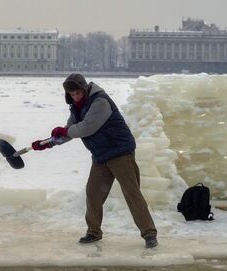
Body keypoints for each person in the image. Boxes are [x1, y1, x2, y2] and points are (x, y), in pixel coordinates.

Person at [31, 74, 158, 249]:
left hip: (120, 152)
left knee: (131, 193)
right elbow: (69, 131)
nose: (75, 97)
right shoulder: (76, 107)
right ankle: (94, 232)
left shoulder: (100, 101)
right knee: (93, 193)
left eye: (77, 93)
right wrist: (49, 142)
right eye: (71, 94)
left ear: (84, 88)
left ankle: (149, 234)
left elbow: (86, 128)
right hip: (100, 156)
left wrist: (63, 132)